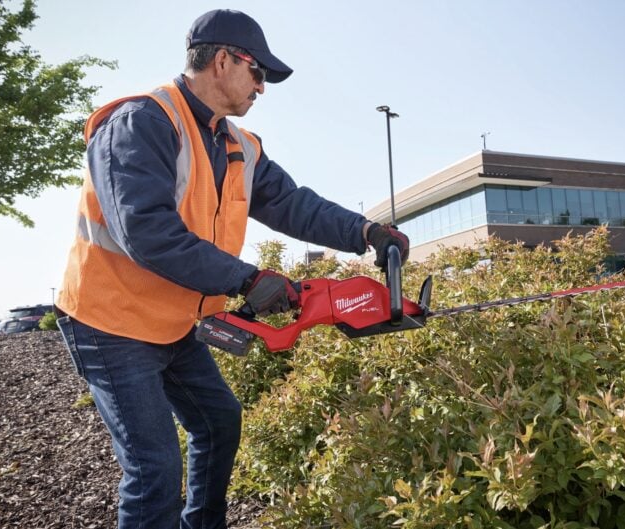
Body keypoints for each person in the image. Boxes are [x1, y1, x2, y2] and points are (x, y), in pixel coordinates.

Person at [54, 8, 409, 529]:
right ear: (222, 61)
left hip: (176, 322)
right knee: (154, 468)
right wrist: (247, 280)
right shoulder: (142, 123)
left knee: (219, 423)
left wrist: (366, 232)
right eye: (258, 72)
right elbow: (146, 231)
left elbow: (292, 204)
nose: (262, 87)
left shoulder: (238, 144)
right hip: (111, 322)